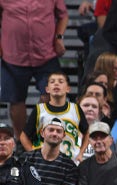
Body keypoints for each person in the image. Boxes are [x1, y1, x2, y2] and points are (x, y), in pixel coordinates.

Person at [0, 0, 68, 138]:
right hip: (13, 55)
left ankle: (35, 133)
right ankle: (20, 140)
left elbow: (63, 15)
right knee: (16, 100)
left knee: (51, 95)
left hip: (46, 54)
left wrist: (59, 37)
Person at [19, 72, 90, 163]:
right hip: (44, 163)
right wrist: (33, 154)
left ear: (68, 89)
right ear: (47, 89)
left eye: (61, 81)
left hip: (70, 162)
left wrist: (81, 153)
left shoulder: (75, 109)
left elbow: (87, 132)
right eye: (52, 82)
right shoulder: (39, 110)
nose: (56, 84)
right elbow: (23, 136)